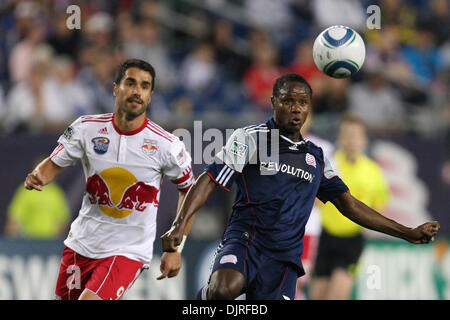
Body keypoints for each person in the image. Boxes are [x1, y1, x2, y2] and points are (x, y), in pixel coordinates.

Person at [161, 73, 440, 300]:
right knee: (224, 289)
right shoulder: (250, 138)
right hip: (246, 239)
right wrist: (179, 223)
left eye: (302, 102)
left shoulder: (317, 157)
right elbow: (209, 179)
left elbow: (349, 205)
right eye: (288, 101)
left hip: (284, 259)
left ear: (309, 107)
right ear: (273, 102)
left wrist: (406, 232)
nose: (295, 108)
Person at [23, 59, 195, 300]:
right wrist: (38, 175)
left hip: (127, 251)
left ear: (151, 95)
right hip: (81, 244)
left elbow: (190, 190)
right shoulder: (86, 129)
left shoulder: (166, 145)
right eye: (131, 83)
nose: (137, 91)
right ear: (116, 88)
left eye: (145, 86)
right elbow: (52, 163)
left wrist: (176, 247)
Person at [310, 113, 390, 300]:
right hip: (326, 237)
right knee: (317, 296)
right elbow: (314, 202)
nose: (351, 140)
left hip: (351, 241)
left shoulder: (373, 172)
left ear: (364, 140)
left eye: (356, 135)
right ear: (339, 138)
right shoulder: (329, 165)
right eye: (347, 135)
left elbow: (380, 207)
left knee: (337, 295)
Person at [6, 157, 71, 239]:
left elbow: (63, 221)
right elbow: (14, 220)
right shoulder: (25, 191)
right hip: (28, 242)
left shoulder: (56, 193)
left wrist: (55, 242)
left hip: (50, 242)